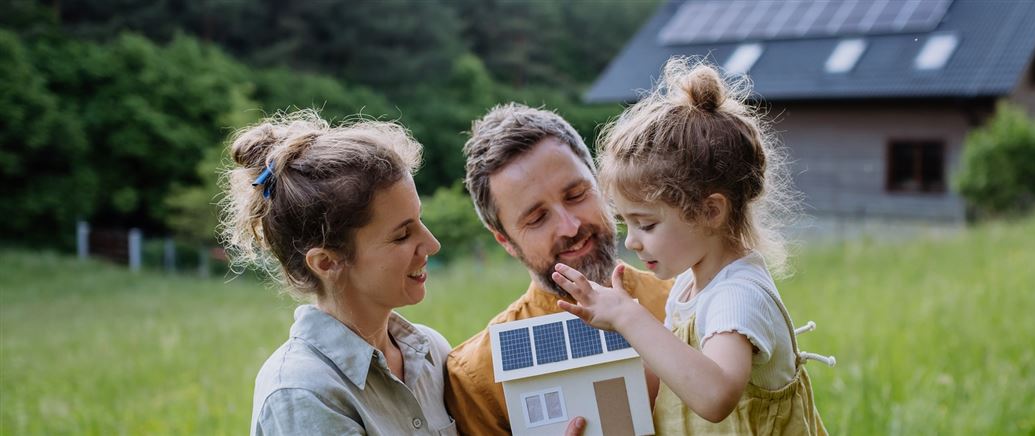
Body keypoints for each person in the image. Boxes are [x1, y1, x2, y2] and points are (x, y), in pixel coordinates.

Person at [223, 111, 591, 436]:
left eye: (420, 221)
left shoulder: (431, 352)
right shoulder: (302, 393)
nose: (431, 245)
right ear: (326, 263)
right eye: (402, 234)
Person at [552, 58, 831, 435]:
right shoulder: (690, 284)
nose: (631, 241)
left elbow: (714, 397)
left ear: (710, 211)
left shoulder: (737, 297)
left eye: (646, 224)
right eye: (627, 223)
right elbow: (672, 380)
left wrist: (629, 317)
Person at [445, 104, 673, 435]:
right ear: (506, 241)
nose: (570, 226)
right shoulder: (478, 375)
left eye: (577, 195)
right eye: (537, 219)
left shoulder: (689, 300)